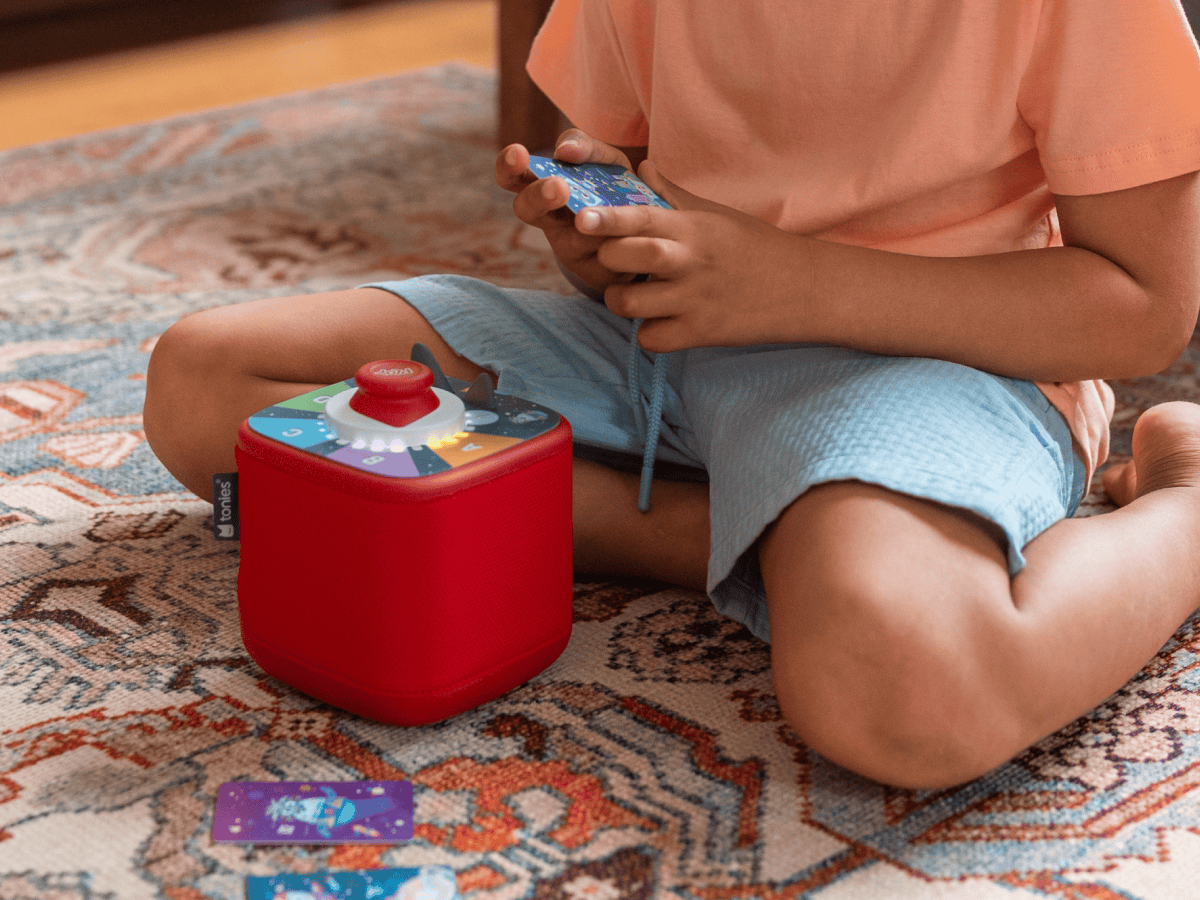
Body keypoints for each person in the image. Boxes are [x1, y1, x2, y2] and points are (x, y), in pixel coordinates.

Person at [143, 0, 1200, 789]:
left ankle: (1186, 508)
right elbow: (637, 205)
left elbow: (1145, 310)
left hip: (939, 365)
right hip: (672, 346)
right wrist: (603, 249)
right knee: (212, 388)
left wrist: (796, 284)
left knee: (908, 694)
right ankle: (745, 543)